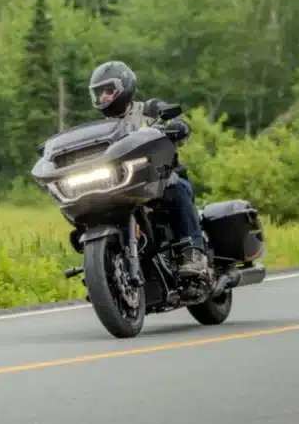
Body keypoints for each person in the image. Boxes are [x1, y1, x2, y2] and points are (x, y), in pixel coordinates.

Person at [87, 60, 210, 283]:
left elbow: (177, 121)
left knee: (178, 187)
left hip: (159, 180)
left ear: (125, 86)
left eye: (108, 90)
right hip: (122, 187)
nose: (103, 97)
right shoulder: (100, 131)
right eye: (99, 93)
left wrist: (177, 126)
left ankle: (194, 251)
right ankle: (106, 266)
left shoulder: (150, 109)